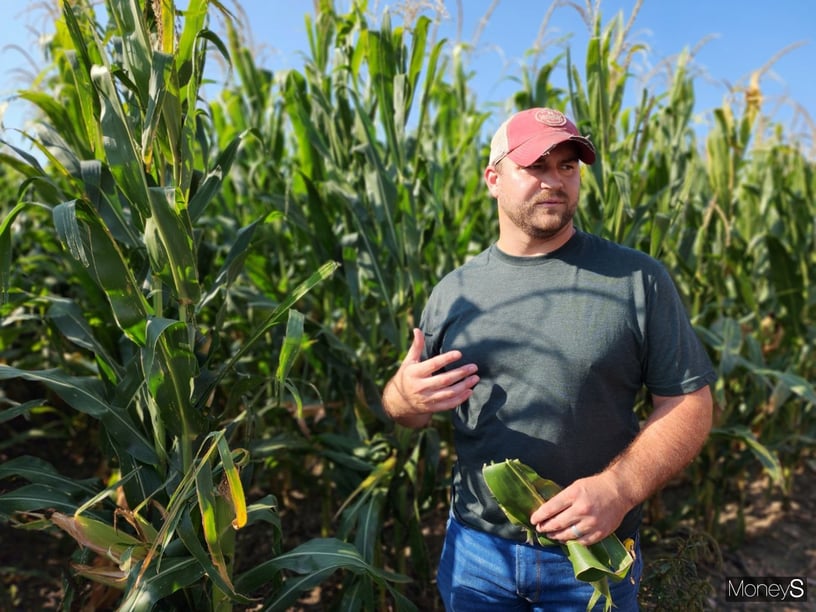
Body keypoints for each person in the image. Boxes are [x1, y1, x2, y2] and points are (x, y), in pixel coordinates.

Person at [381, 107, 716, 611]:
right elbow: (408, 409)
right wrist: (404, 395)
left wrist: (619, 488)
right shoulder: (456, 291)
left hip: (591, 560)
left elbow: (690, 402)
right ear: (493, 179)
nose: (554, 181)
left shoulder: (636, 280)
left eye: (567, 167)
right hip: (477, 553)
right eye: (536, 166)